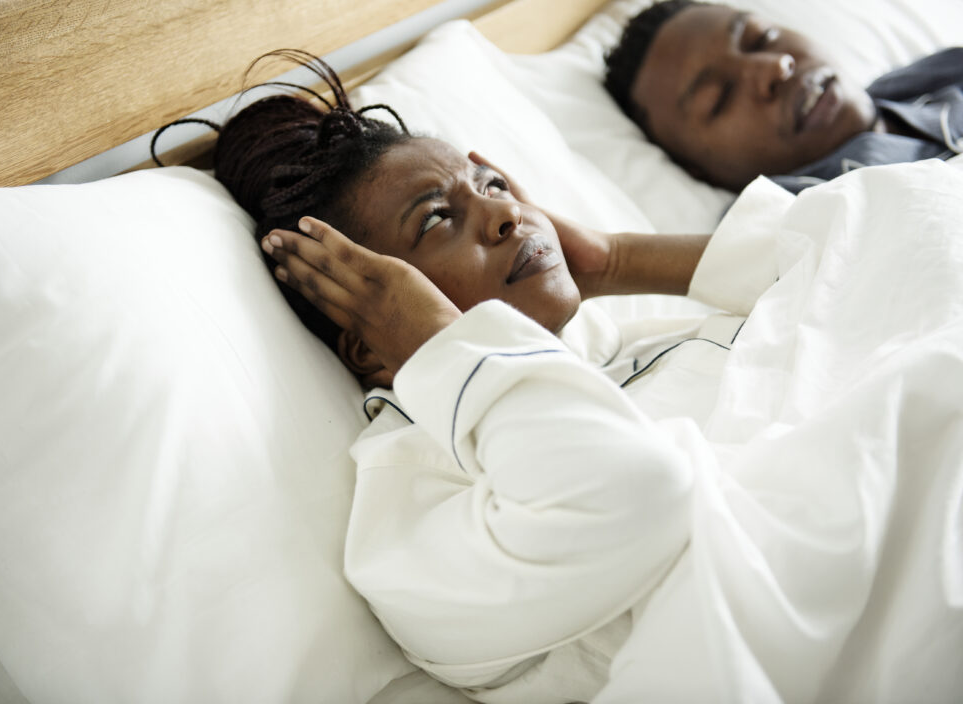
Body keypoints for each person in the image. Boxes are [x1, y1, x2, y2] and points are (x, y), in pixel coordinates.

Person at [177, 51, 963, 703]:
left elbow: (898, 233)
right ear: (375, 337)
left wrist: (617, 258)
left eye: (489, 186)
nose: (506, 214)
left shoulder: (629, 345)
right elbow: (635, 494)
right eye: (436, 219)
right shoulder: (406, 522)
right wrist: (437, 343)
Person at [603, 0, 963, 192]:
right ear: (699, 172)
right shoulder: (787, 227)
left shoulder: (935, 76)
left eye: (763, 38)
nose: (775, 68)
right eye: (721, 97)